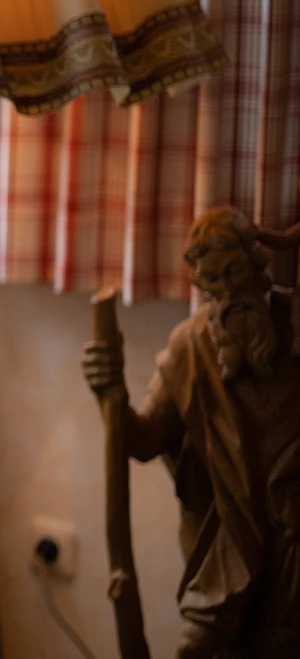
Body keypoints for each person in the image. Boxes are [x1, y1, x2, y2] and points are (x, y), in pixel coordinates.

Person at [84, 207, 300, 657]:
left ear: (257, 264)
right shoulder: (192, 347)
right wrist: (112, 393)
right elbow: (141, 441)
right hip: (227, 550)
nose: (228, 292)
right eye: (212, 281)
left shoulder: (294, 327)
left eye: (235, 271)